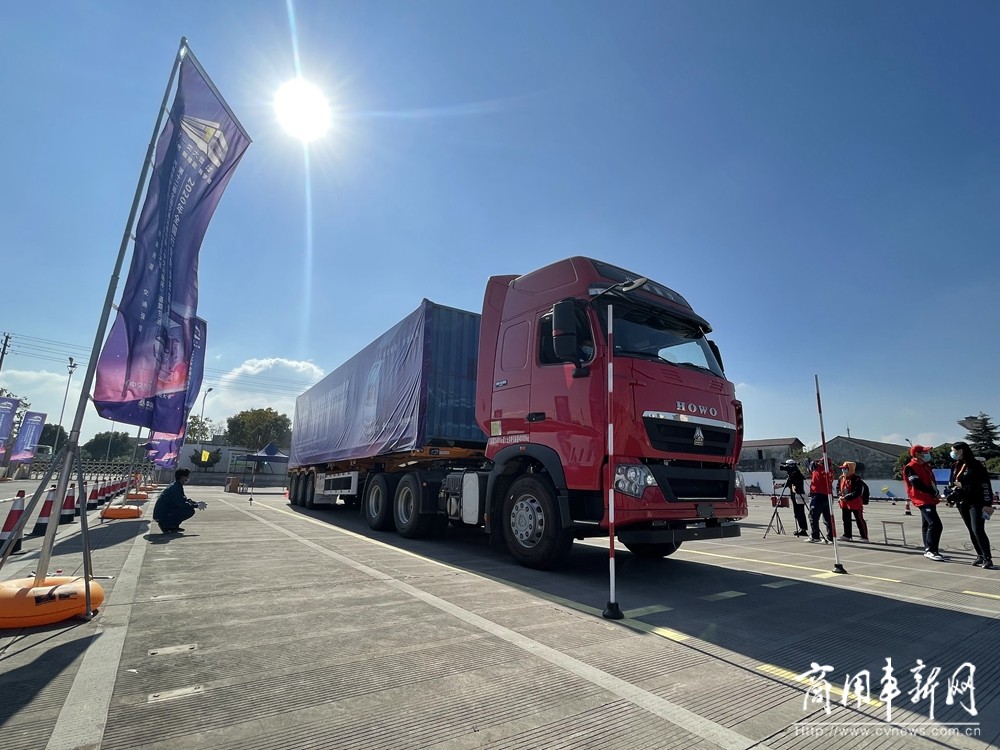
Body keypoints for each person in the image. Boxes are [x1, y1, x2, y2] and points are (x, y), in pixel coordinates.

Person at [947, 441, 995, 570]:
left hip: (977, 502)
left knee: (978, 530)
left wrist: (988, 503)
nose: (953, 454)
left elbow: (985, 485)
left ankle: (987, 558)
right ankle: (979, 555)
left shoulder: (975, 465)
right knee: (971, 530)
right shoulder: (955, 465)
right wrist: (952, 493)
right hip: (962, 502)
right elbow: (952, 482)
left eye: (954, 451)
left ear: (961, 451)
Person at [902, 445, 944, 561]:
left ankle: (928, 549)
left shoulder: (926, 466)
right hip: (922, 499)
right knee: (935, 524)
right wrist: (932, 492)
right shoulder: (911, 467)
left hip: (929, 498)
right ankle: (931, 550)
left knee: (927, 524)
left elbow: (930, 482)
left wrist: (935, 492)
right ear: (917, 454)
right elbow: (917, 484)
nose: (928, 454)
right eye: (925, 452)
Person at [152, 468, 205, 534]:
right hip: (161, 514)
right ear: (182, 477)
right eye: (187, 477)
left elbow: (183, 500)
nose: (188, 478)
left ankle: (172, 526)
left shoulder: (176, 485)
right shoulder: (176, 488)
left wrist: (195, 503)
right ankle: (167, 525)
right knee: (189, 511)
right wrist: (196, 505)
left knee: (187, 508)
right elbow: (181, 503)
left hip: (162, 512)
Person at [837, 461, 869, 542]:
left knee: (859, 519)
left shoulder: (857, 479)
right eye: (843, 469)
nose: (843, 471)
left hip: (855, 502)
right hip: (844, 502)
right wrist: (840, 495)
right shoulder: (841, 478)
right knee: (846, 519)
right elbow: (838, 488)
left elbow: (857, 492)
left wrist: (847, 497)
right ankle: (847, 535)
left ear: (850, 469)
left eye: (845, 469)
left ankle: (864, 537)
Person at [807, 459, 834, 543]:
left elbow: (808, 463)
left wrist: (815, 462)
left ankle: (815, 536)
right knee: (827, 517)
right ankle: (831, 537)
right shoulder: (830, 471)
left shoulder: (818, 468)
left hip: (818, 495)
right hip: (828, 495)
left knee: (813, 516)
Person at [780, 459, 809, 536]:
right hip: (795, 495)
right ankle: (801, 528)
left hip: (799, 495)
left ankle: (803, 529)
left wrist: (791, 485)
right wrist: (780, 486)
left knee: (800, 512)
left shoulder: (797, 474)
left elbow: (793, 483)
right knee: (797, 512)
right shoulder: (792, 474)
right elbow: (789, 483)